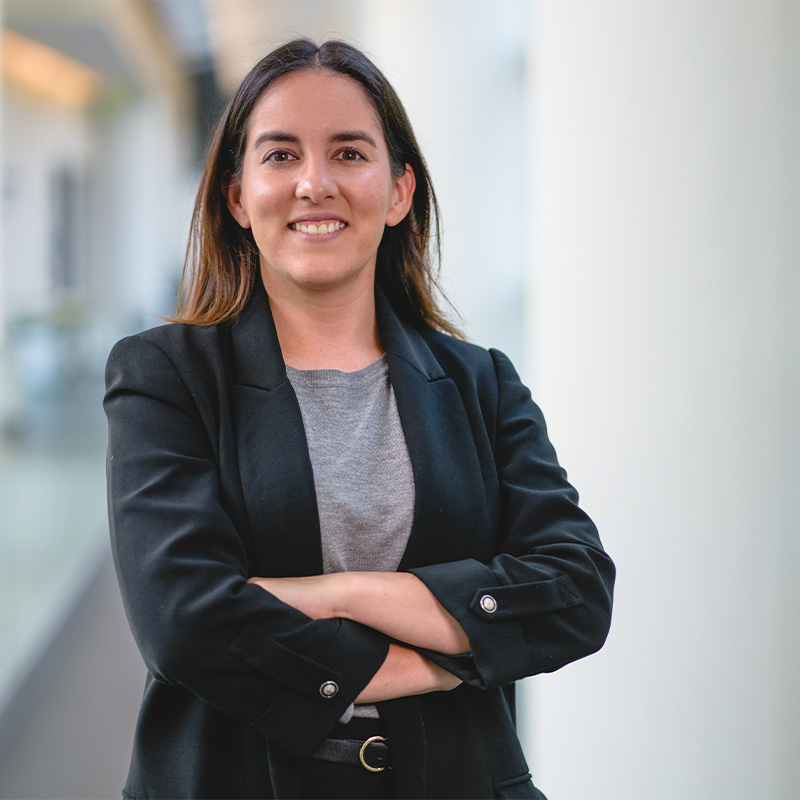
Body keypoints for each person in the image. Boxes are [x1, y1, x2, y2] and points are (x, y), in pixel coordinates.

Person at [104, 38, 615, 800]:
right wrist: (457, 654)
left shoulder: (483, 385)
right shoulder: (166, 377)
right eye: (280, 156)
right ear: (238, 197)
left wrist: (334, 594)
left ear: (400, 190)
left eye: (349, 153)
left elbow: (577, 590)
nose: (315, 183)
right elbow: (184, 620)